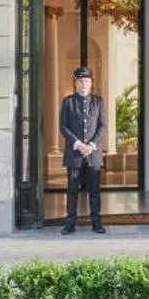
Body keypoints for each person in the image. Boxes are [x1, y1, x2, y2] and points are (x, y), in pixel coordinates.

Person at [59, 65, 107, 234]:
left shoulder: (98, 102)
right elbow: (63, 127)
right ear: (75, 83)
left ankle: (97, 223)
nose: (84, 84)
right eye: (81, 81)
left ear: (91, 83)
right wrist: (79, 144)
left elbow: (102, 126)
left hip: (93, 155)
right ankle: (70, 223)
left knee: (94, 191)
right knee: (72, 191)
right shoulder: (68, 102)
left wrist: (92, 145)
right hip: (75, 154)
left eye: (87, 81)